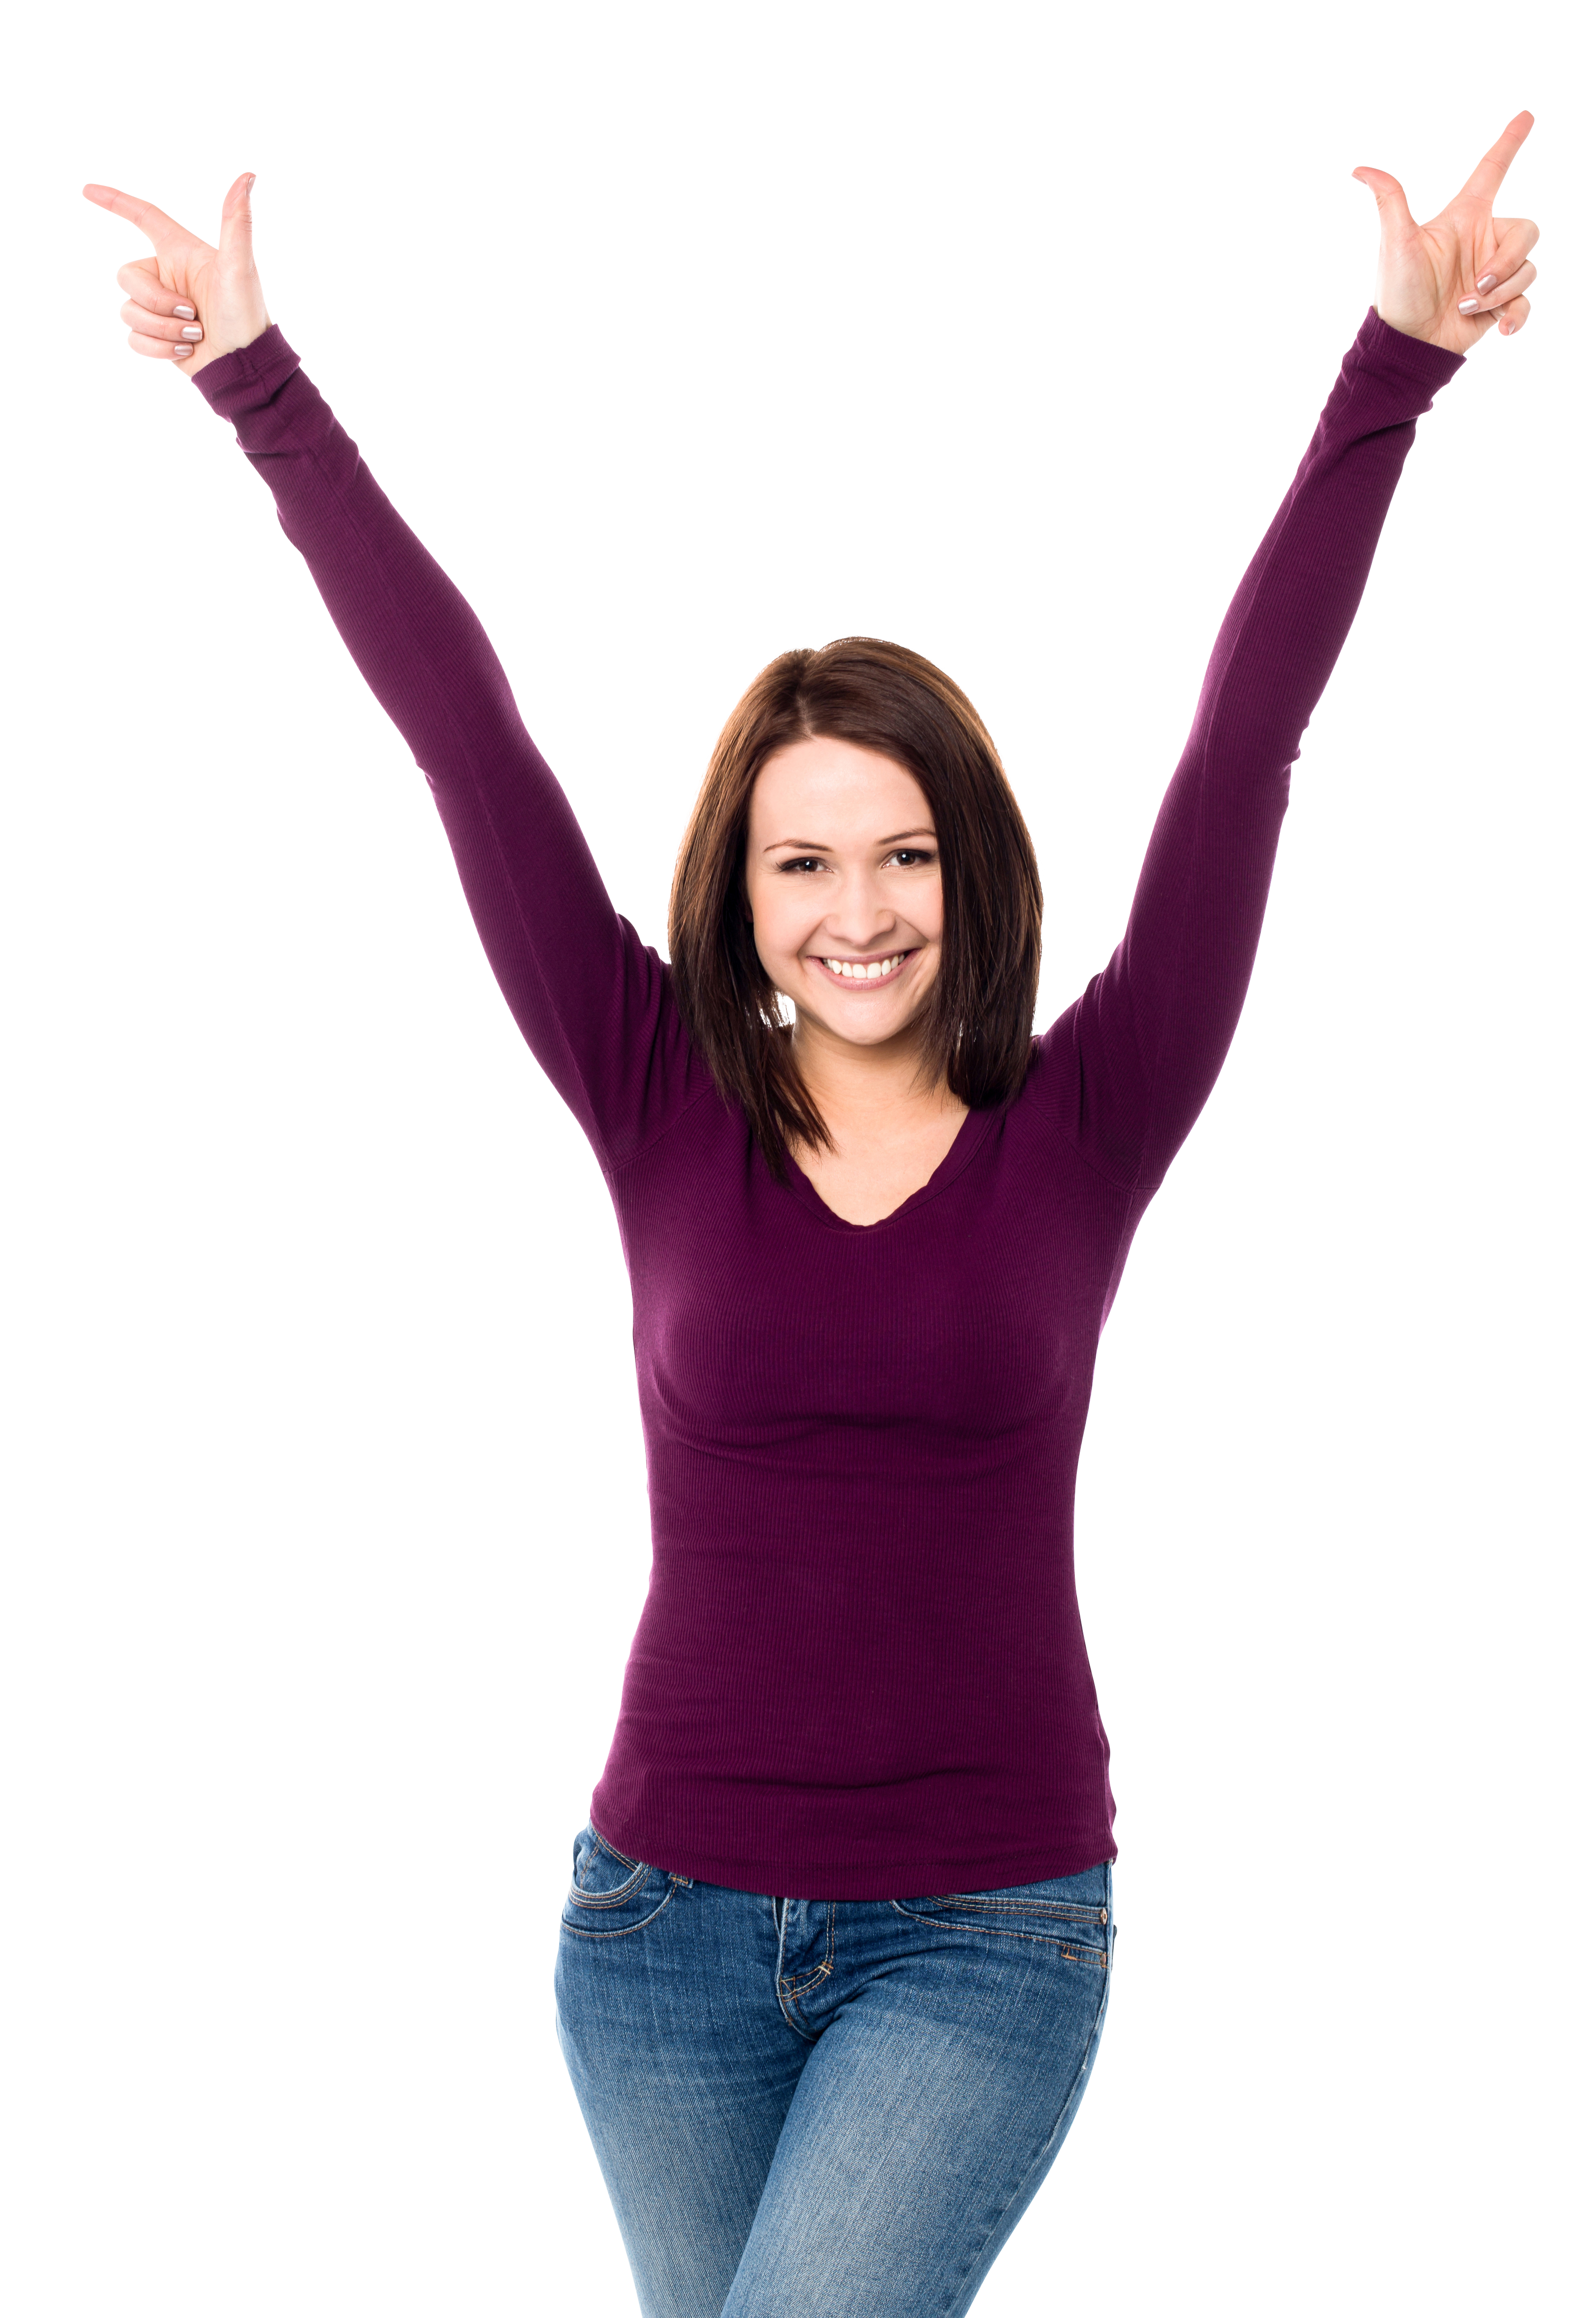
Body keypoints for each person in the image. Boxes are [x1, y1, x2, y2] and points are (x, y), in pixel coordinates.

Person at [84, 112, 1536, 2317]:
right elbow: (468, 740)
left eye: (901, 855)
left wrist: (1388, 374)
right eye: (798, 860)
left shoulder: (1091, 1113)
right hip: (653, 1938)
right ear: (736, 902)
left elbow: (1236, 758)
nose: (854, 913)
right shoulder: (645, 1082)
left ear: (964, 874)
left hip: (983, 1933)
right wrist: (258, 381)